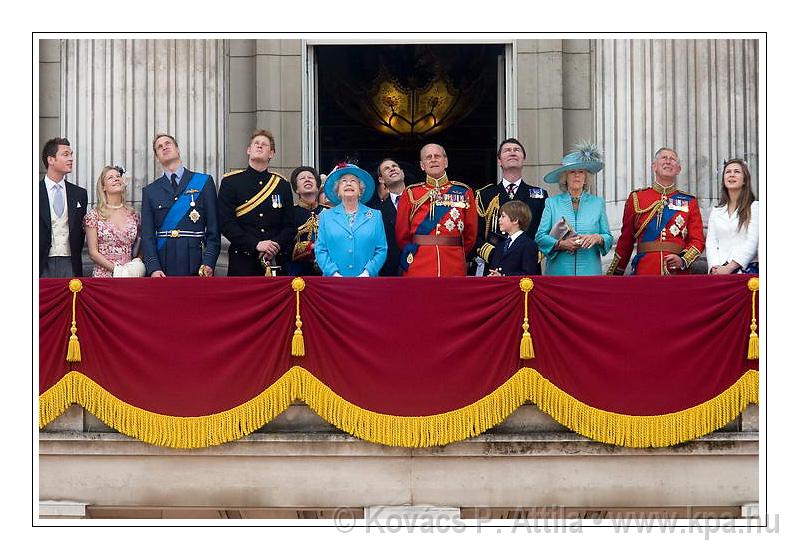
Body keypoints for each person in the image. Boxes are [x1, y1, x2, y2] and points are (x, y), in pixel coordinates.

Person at [607, 147, 704, 275]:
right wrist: (614, 274)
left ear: (678, 170)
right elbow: (626, 241)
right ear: (654, 166)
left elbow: (697, 240)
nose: (668, 161)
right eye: (664, 158)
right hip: (645, 270)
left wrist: (683, 260)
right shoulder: (637, 198)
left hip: (677, 273)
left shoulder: (689, 201)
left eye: (673, 159)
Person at [140, 133, 220, 277]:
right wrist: (153, 268)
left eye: (168, 143)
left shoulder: (204, 182)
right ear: (157, 158)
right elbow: (147, 236)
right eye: (159, 147)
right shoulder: (150, 191)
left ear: (177, 149)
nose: (164, 147)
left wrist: (209, 262)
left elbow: (214, 229)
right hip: (163, 266)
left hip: (196, 263)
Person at [218, 130, 295, 276]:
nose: (259, 146)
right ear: (248, 150)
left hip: (274, 259)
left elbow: (289, 226)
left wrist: (273, 245)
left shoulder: (281, 184)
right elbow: (226, 223)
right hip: (242, 259)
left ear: (271, 154)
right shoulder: (230, 182)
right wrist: (256, 244)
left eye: (264, 145)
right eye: (256, 144)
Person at [395, 143, 477, 277]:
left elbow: (470, 235)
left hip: (453, 263)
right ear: (422, 165)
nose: (433, 159)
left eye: (437, 156)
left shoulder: (464, 192)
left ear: (446, 162)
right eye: (428, 157)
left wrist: (455, 251)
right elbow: (402, 235)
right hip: (419, 264)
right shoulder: (410, 193)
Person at [535, 143, 614, 275]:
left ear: (585, 178)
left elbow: (608, 238)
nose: (577, 175)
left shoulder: (597, 203)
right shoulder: (552, 203)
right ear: (565, 178)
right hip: (559, 273)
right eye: (572, 172)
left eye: (581, 172)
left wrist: (597, 238)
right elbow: (540, 237)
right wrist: (560, 244)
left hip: (589, 273)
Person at [475, 138, 548, 275]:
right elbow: (475, 234)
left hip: (526, 266)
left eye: (517, 150)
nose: (512, 153)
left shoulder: (539, 196)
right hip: (493, 266)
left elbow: (546, 231)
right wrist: (494, 254)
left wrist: (532, 254)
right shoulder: (485, 195)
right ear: (499, 161)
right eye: (507, 150)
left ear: (523, 159)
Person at [314, 163, 387, 277]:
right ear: (337, 190)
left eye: (353, 181)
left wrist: (367, 273)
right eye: (343, 181)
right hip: (334, 283)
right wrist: (333, 273)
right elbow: (320, 249)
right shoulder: (326, 217)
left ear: (360, 190)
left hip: (367, 282)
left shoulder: (375, 216)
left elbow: (381, 249)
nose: (348, 183)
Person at [39, 137, 87, 278]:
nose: (71, 158)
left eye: (71, 154)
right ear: (51, 160)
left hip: (70, 263)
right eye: (65, 154)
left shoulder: (80, 194)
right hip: (40, 263)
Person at [83, 166, 143, 277]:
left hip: (130, 276)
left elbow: (142, 244)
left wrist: (136, 266)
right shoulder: (94, 215)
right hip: (104, 276)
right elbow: (93, 253)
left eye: (118, 176)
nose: (116, 179)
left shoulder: (133, 214)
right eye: (110, 177)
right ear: (103, 187)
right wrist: (118, 271)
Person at [706, 158, 759, 274]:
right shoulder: (716, 211)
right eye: (728, 172)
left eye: (737, 172)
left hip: (746, 270)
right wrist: (714, 267)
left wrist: (730, 268)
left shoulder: (755, 207)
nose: (732, 175)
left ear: (745, 180)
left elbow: (752, 242)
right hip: (719, 271)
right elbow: (711, 243)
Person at [286, 165, 324, 276]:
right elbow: (285, 245)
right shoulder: (290, 212)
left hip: (326, 272)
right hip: (298, 273)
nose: (307, 179)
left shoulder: (329, 212)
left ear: (317, 186)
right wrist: (311, 247)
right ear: (296, 189)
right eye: (302, 178)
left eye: (310, 177)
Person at [487, 201, 540, 276]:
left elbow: (528, 274)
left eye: (503, 216)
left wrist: (503, 276)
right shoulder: (501, 244)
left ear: (515, 220)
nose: (499, 219)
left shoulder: (528, 245)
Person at [376, 158, 406, 276]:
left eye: (394, 166)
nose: (392, 168)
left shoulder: (421, 200)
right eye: (386, 169)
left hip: (422, 268)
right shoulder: (376, 211)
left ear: (402, 173)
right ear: (381, 179)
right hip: (391, 273)